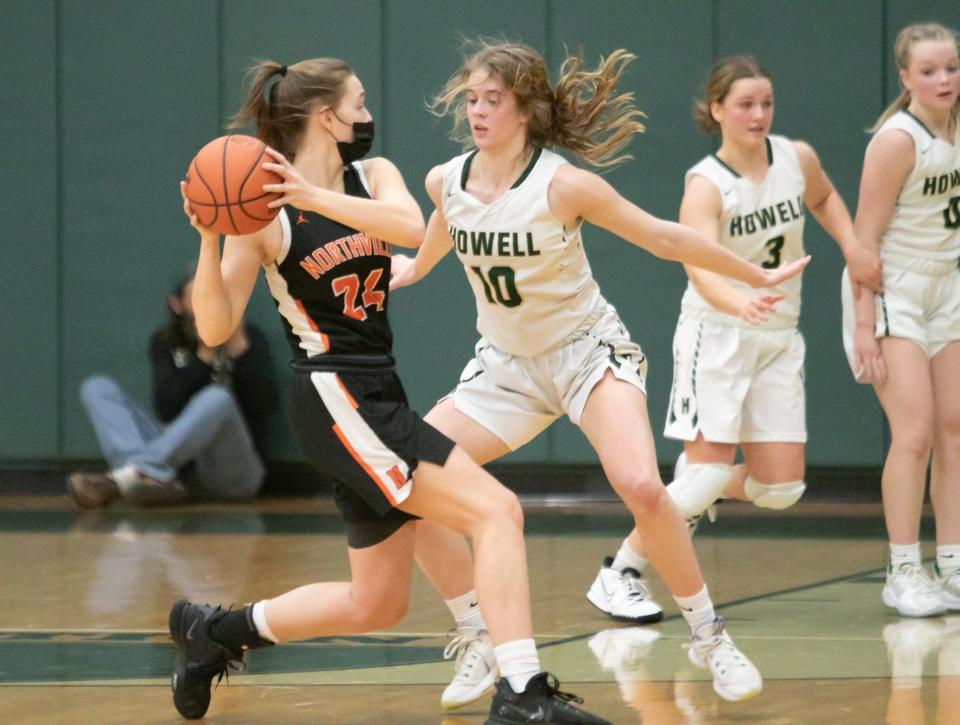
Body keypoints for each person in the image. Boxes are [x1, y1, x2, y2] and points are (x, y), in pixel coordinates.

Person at [169, 57, 609, 725]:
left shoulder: (373, 177)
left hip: (375, 392)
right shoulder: (261, 213)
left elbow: (409, 228)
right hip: (332, 392)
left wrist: (313, 196)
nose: (368, 115)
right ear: (327, 116)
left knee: (376, 602)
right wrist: (209, 237)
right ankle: (523, 693)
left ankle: (215, 631)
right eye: (359, 103)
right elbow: (214, 324)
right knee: (496, 512)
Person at [390, 40, 810, 704]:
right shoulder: (447, 178)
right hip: (504, 369)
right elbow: (448, 219)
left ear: (524, 110)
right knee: (402, 479)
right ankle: (475, 632)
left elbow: (664, 237)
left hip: (588, 353)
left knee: (642, 483)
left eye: (492, 101)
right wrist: (414, 265)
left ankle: (710, 635)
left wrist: (752, 271)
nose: (477, 111)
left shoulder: (563, 183)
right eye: (471, 99)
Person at [600, 54, 884, 597]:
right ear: (717, 110)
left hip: (778, 336)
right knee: (705, 476)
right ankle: (619, 571)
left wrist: (851, 247)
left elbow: (822, 198)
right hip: (718, 332)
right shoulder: (707, 184)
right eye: (745, 105)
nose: (759, 115)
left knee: (781, 489)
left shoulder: (796, 158)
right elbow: (696, 266)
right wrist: (738, 303)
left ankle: (694, 487)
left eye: (766, 103)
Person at [843, 22, 960, 618]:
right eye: (931, 70)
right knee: (912, 432)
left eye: (952, 67)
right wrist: (865, 322)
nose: (944, 79)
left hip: (948, 282)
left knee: (954, 427)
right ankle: (903, 569)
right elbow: (863, 240)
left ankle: (955, 563)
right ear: (906, 77)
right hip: (893, 286)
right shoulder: (896, 140)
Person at [67, 273, 275, 507]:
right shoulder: (167, 341)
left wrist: (238, 349)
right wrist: (205, 356)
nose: (210, 303)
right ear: (178, 305)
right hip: (175, 468)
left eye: (217, 296)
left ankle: (132, 476)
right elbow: (166, 409)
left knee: (217, 397)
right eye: (200, 296)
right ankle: (141, 478)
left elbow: (266, 409)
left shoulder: (249, 339)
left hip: (230, 472)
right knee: (97, 388)